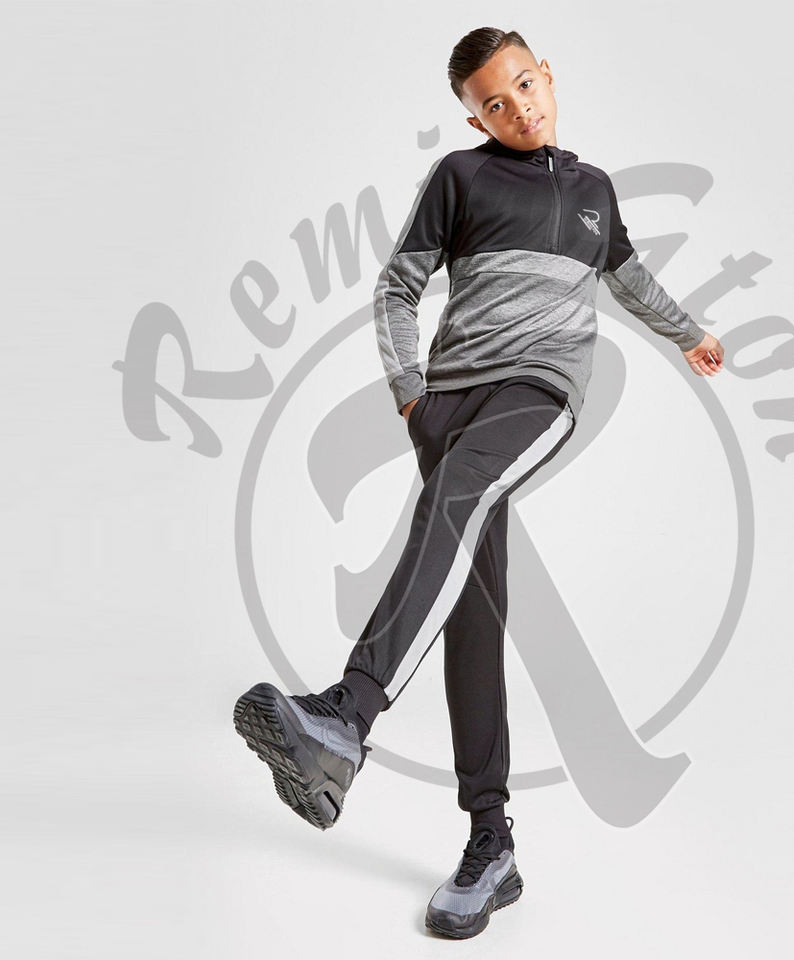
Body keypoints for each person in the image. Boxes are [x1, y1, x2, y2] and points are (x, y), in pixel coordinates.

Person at [234, 26, 724, 939]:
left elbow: (631, 278)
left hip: (538, 389)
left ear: (549, 76)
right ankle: (491, 844)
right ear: (474, 118)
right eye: (495, 103)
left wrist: (689, 331)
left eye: (526, 85)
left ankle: (346, 717)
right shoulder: (460, 177)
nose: (518, 108)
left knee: (458, 501)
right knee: (470, 613)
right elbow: (398, 286)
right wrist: (410, 394)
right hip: (447, 407)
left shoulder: (593, 191)